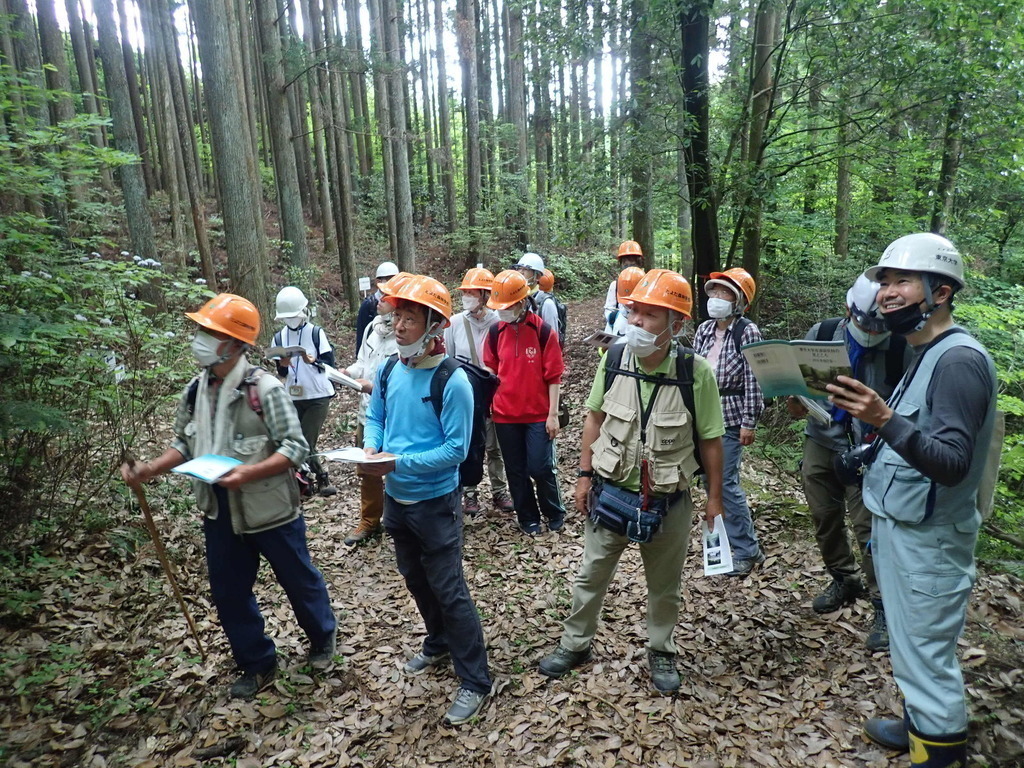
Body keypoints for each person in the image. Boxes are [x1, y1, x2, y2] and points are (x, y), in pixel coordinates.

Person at [827, 234, 997, 767]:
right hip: (905, 528)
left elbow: (950, 462)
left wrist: (883, 419)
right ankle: (922, 726)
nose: (886, 293)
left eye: (901, 281)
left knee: (926, 655)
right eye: (883, 282)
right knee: (911, 649)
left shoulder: (959, 361)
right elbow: (911, 434)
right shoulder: (925, 354)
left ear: (941, 291)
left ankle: (939, 751)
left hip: (932, 541)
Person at [120, 293, 337, 700]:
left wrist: (250, 472)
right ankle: (256, 662)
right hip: (218, 510)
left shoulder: (265, 389)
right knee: (229, 591)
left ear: (236, 344)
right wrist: (150, 469)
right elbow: (184, 443)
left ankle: (323, 637)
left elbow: (295, 447)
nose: (201, 338)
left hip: (271, 508)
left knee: (298, 579)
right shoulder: (194, 391)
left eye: (211, 332)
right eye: (202, 329)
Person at [537, 269, 725, 693]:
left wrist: (715, 499)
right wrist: (583, 477)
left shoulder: (696, 374)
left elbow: (712, 441)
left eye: (650, 315)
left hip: (668, 499)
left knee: (664, 586)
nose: (636, 322)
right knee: (590, 574)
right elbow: (594, 419)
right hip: (610, 493)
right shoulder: (616, 358)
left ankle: (661, 650)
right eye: (633, 311)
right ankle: (575, 644)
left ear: (677, 324)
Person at [361, 275, 493, 726]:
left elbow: (455, 450)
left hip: (436, 503)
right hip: (397, 500)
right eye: (396, 316)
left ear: (435, 326)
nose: (398, 326)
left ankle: (475, 680)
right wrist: (372, 446)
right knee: (414, 577)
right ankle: (436, 643)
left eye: (410, 319)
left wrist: (396, 464)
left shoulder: (452, 381)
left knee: (450, 589)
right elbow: (375, 414)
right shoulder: (388, 369)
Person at [787, 275, 909, 651]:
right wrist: (793, 398)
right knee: (824, 515)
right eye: (865, 323)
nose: (872, 331)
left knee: (867, 527)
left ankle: (884, 605)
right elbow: (798, 394)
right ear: (847, 310)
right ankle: (844, 578)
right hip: (821, 440)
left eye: (879, 325)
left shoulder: (900, 347)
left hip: (870, 449)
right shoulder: (822, 334)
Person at [692, 267, 766, 576]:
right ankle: (723, 542)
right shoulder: (704, 330)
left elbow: (753, 379)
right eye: (715, 292)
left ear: (739, 302)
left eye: (725, 294)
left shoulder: (747, 331)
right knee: (710, 482)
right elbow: (694, 371)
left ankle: (747, 550)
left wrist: (750, 421)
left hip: (732, 417)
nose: (717, 299)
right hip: (703, 417)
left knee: (726, 483)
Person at [483, 270, 566, 534]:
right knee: (516, 471)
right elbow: (491, 372)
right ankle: (527, 517)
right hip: (505, 416)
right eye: (500, 307)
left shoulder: (542, 331)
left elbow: (554, 376)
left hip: (538, 415)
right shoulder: (496, 332)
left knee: (540, 467)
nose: (503, 311)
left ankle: (553, 510)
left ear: (522, 302)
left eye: (507, 306)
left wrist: (552, 415)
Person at [338, 274, 409, 545]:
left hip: (396, 415)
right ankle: (370, 520)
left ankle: (400, 519)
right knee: (367, 468)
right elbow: (362, 362)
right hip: (367, 413)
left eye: (385, 296)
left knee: (396, 466)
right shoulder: (372, 328)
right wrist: (348, 373)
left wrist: (374, 387)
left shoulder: (406, 336)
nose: (377, 300)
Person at [443, 267, 514, 517]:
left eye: (472, 292)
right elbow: (448, 359)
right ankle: (469, 492)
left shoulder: (500, 322)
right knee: (470, 444)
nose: (467, 297)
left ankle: (499, 489)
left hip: (494, 392)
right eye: (466, 292)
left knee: (495, 446)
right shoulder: (454, 323)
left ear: (485, 295)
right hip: (465, 394)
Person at [272, 286, 337, 497]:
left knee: (306, 441)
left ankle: (319, 476)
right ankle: (308, 479)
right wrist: (283, 363)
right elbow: (281, 372)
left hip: (318, 395)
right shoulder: (279, 338)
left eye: (293, 315)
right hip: (293, 395)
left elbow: (329, 364)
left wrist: (313, 360)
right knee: (297, 441)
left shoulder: (316, 333)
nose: (291, 319)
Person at [356, 261, 399, 354]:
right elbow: (361, 335)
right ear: (378, 281)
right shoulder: (368, 305)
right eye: (389, 279)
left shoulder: (401, 301)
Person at [513, 252, 560, 333]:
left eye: (526, 269)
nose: (521, 272)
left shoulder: (546, 304)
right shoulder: (513, 298)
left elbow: (552, 339)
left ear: (537, 276)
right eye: (519, 268)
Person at [604, 240, 644, 329]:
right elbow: (609, 309)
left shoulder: (646, 283)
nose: (628, 268)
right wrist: (614, 317)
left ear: (639, 264)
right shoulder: (615, 285)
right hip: (619, 326)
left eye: (632, 265)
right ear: (621, 265)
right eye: (626, 265)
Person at [604, 266, 645, 337]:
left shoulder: (651, 322)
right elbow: (604, 344)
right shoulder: (614, 318)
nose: (629, 305)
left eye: (633, 302)